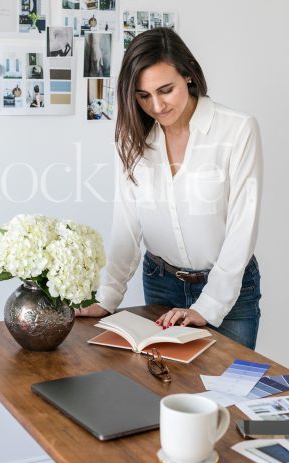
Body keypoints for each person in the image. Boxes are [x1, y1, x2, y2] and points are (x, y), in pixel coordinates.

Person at [76, 28, 263, 350]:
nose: (157, 106)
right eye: (143, 95)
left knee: (226, 393)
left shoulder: (237, 129)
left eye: (166, 90)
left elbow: (242, 226)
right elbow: (127, 222)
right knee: (167, 389)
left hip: (229, 289)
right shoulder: (131, 139)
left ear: (188, 74)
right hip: (162, 284)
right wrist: (108, 295)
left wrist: (208, 305)